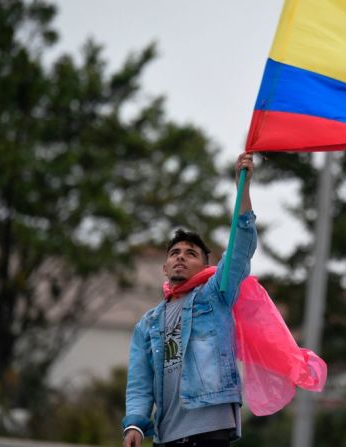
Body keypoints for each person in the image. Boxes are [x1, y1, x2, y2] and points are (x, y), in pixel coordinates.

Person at [122, 152, 256, 447]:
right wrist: (134, 423)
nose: (181, 257)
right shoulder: (148, 323)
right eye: (174, 253)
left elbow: (240, 246)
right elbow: (139, 383)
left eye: (191, 253)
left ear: (206, 266)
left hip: (210, 429)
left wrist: (242, 189)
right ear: (165, 267)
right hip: (166, 434)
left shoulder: (215, 294)